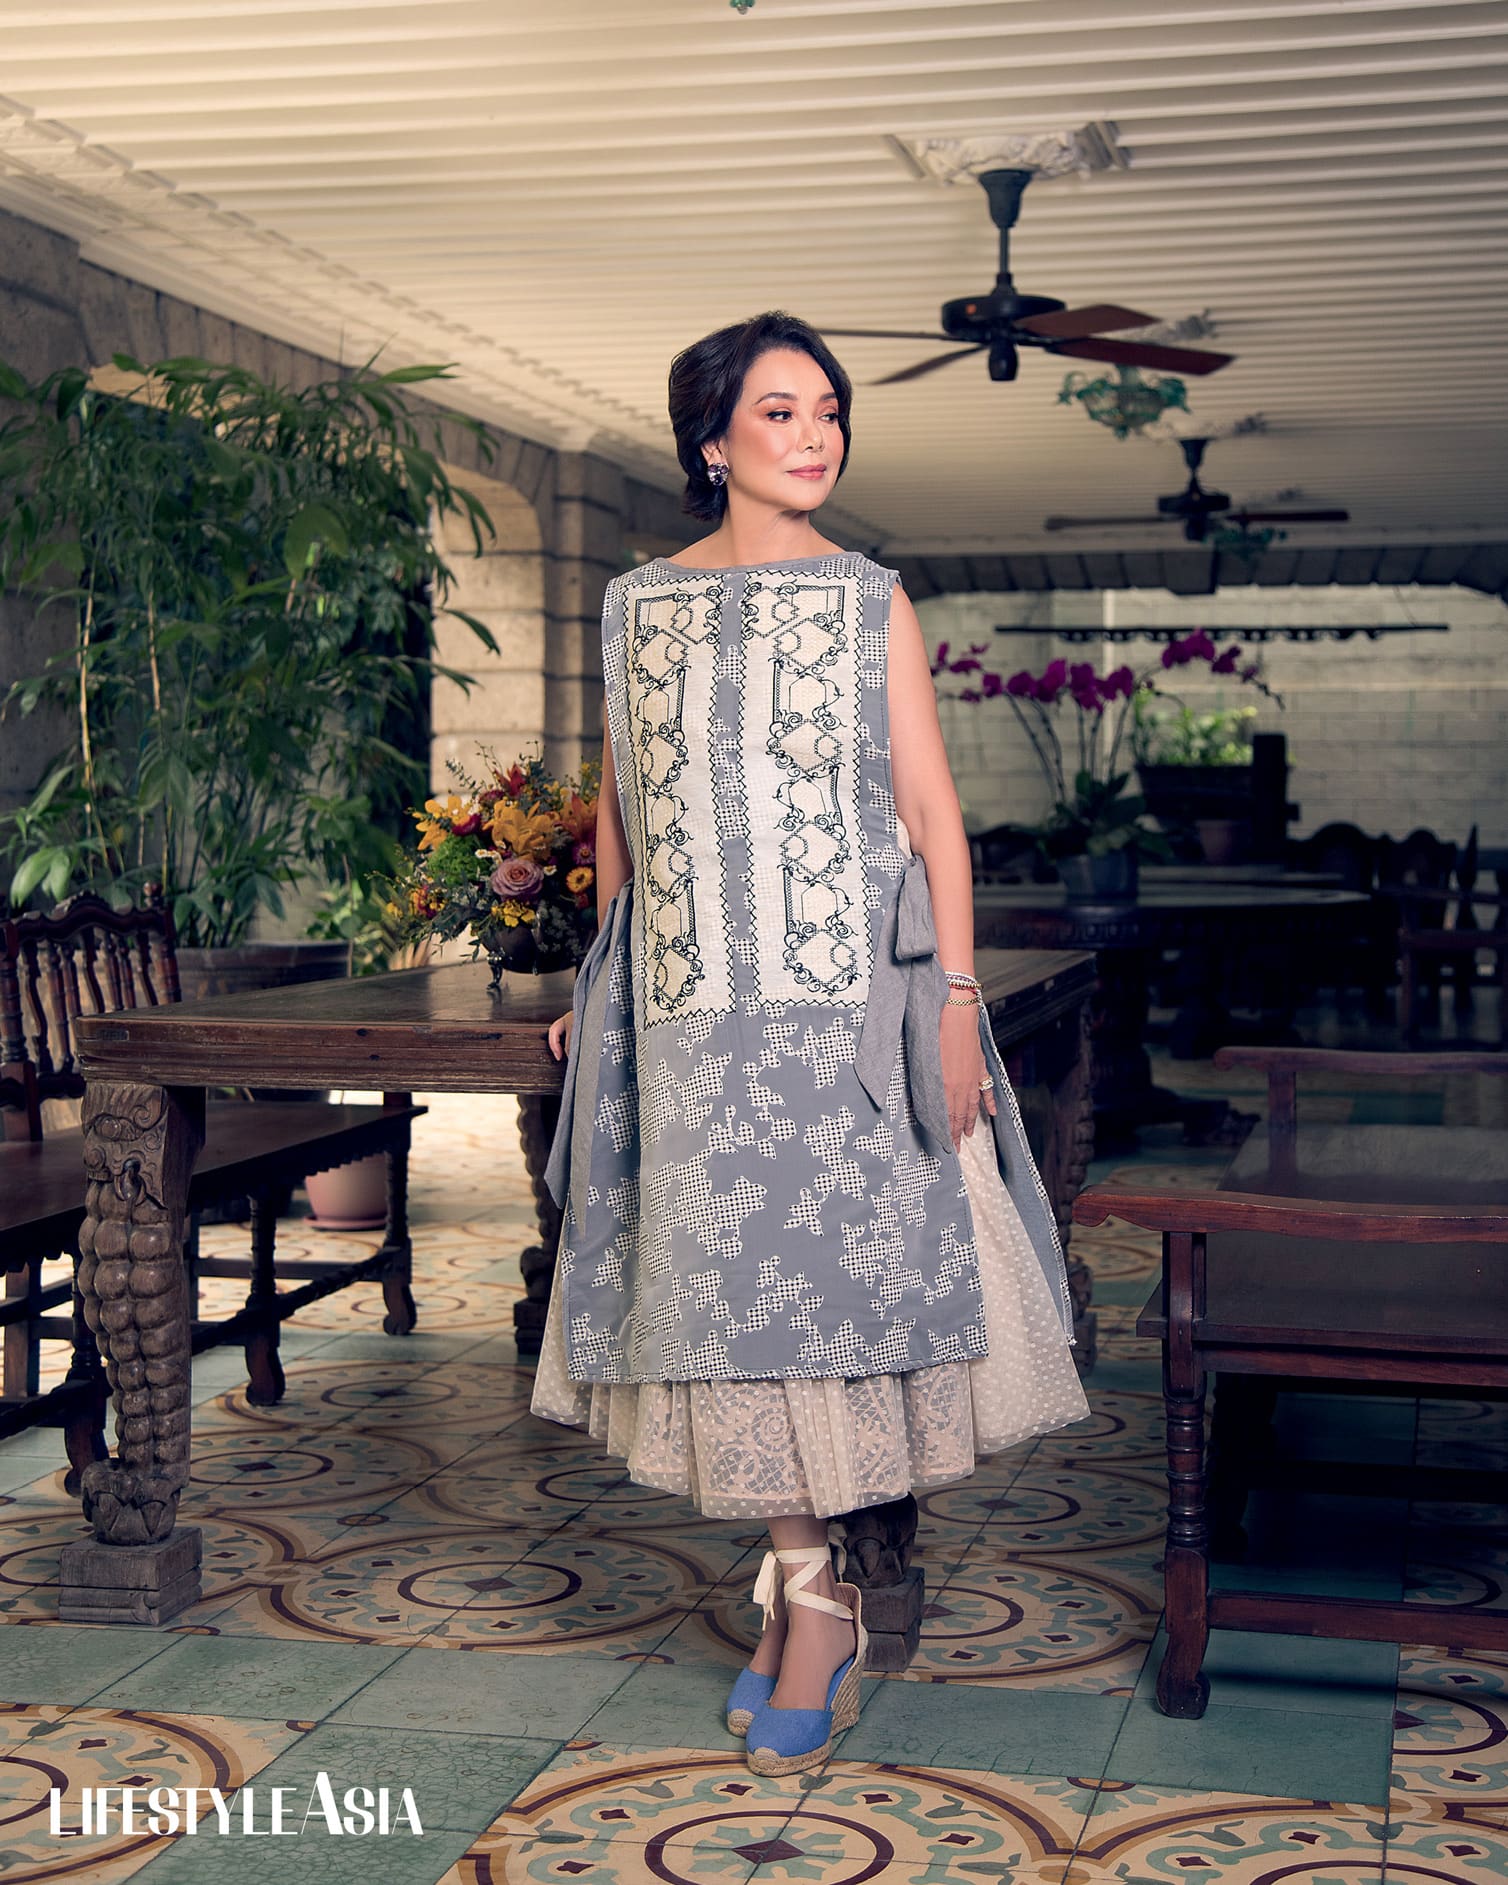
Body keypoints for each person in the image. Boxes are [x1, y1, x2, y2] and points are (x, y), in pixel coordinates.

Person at [533, 310, 1087, 1776]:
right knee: (722, 1318)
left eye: (830, 409)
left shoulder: (867, 599)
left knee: (837, 1302)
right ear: (712, 441)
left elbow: (932, 816)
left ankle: (817, 1602)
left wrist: (957, 1003)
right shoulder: (636, 605)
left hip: (845, 1010)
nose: (817, 432)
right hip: (693, 1014)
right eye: (782, 411)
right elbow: (623, 810)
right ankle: (809, 1584)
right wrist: (600, 981)